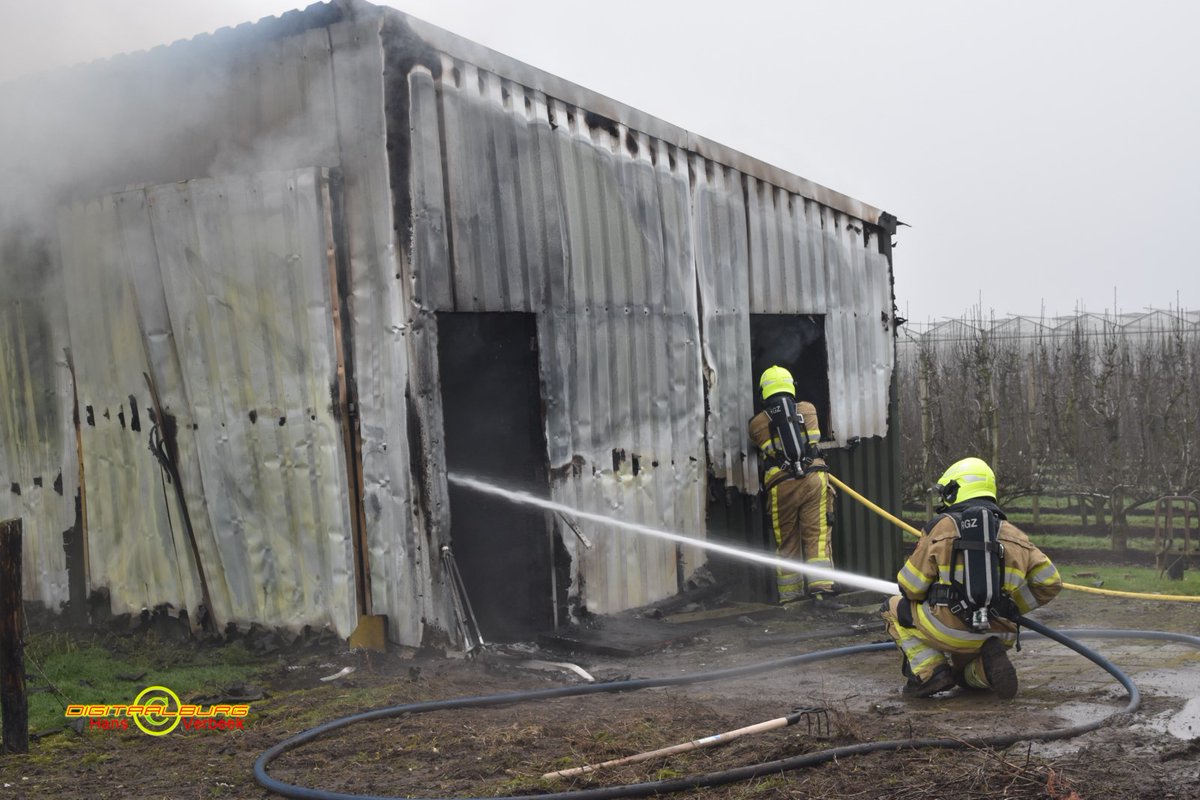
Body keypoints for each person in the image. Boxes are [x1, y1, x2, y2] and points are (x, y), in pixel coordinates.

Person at [880, 457, 1062, 698]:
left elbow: (910, 586)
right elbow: (1050, 582)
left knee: (892, 607)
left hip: (949, 628)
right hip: (1000, 631)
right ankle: (986, 670)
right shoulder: (1016, 535)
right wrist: (1009, 607)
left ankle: (930, 671)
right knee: (962, 673)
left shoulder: (942, 527)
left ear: (955, 490)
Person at [748, 365, 841, 607]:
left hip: (781, 486)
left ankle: (790, 598)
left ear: (763, 392)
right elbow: (815, 438)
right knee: (817, 535)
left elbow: (760, 445)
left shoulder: (757, 424)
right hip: (814, 480)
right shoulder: (808, 410)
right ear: (791, 387)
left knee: (787, 541)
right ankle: (822, 590)